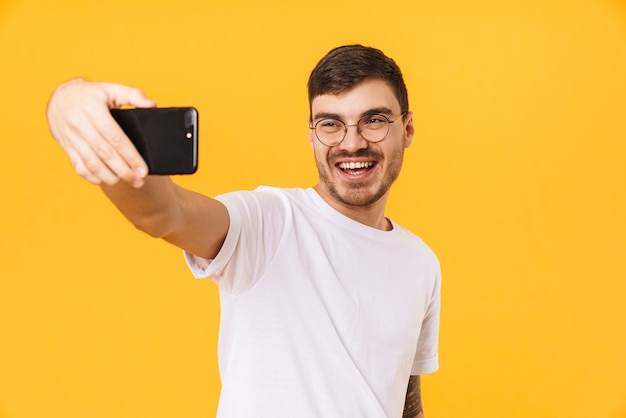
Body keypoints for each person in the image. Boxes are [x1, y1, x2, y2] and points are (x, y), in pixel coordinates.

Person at [47, 44, 441, 418]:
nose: (351, 143)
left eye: (374, 120)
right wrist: (69, 100)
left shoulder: (421, 262)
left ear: (406, 129)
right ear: (311, 134)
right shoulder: (271, 222)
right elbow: (165, 213)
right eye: (331, 124)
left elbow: (403, 397)